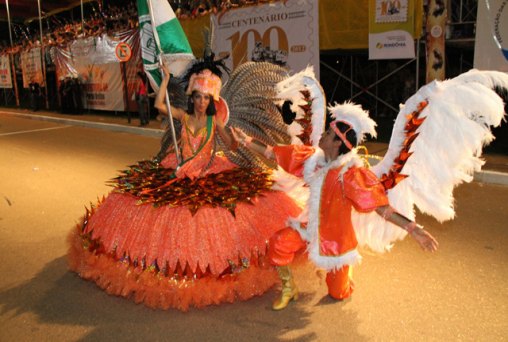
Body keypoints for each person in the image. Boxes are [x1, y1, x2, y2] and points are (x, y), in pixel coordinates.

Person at [67, 57, 302, 311]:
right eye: (198, 97)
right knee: (156, 204)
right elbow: (159, 104)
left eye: (206, 98)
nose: (201, 102)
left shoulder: (215, 122)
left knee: (212, 213)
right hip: (179, 167)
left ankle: (209, 264)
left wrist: (235, 139)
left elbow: (232, 145)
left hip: (208, 168)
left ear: (213, 101)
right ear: (192, 98)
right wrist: (166, 80)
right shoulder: (182, 116)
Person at [234, 104, 439, 310]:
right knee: (278, 243)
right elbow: (272, 153)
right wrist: (247, 141)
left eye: (329, 133)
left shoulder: (350, 176)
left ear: (337, 143)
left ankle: (344, 274)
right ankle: (289, 288)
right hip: (310, 228)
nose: (323, 135)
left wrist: (414, 229)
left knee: (338, 293)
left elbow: (381, 208)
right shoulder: (311, 160)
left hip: (336, 242)